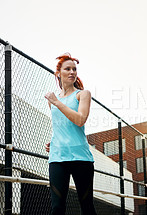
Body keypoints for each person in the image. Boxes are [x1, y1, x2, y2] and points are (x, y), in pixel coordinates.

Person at [44, 53, 97, 215]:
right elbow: (61, 125)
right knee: (57, 208)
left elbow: (80, 120)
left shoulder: (83, 94)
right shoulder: (53, 100)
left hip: (81, 157)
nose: (72, 72)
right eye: (68, 69)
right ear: (58, 74)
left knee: (87, 207)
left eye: (74, 69)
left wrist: (57, 103)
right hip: (57, 157)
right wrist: (53, 141)